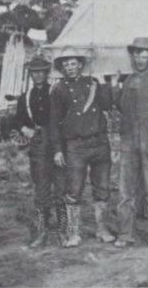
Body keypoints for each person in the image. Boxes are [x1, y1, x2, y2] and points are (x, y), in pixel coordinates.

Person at [49, 48, 115, 247]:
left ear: (80, 64)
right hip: (75, 146)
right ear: (62, 68)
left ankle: (102, 229)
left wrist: (103, 82)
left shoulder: (93, 83)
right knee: (74, 190)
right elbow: (54, 122)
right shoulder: (59, 89)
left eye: (73, 63)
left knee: (102, 188)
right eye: (65, 64)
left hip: (99, 144)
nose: (70, 67)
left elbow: (106, 104)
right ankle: (73, 232)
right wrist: (58, 150)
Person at [112, 38, 148, 250]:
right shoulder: (128, 81)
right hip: (129, 141)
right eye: (136, 55)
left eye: (144, 55)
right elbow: (121, 107)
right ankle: (125, 233)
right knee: (125, 190)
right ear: (132, 56)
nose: (139, 59)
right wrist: (114, 86)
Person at [16, 55, 66, 248]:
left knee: (61, 187)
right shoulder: (25, 97)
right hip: (38, 145)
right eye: (34, 72)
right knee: (41, 189)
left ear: (47, 73)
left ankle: (63, 230)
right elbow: (18, 119)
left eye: (41, 72)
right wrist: (24, 128)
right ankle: (42, 232)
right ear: (30, 74)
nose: (38, 75)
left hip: (58, 144)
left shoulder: (57, 92)